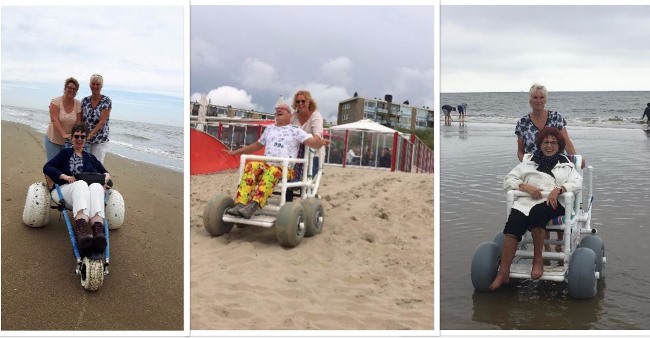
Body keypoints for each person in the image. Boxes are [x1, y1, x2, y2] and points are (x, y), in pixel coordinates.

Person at [489, 127, 583, 291]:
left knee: (538, 213)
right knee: (514, 221)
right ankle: (503, 272)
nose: (549, 145)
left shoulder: (566, 165)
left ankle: (537, 260)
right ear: (540, 144)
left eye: (553, 143)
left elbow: (577, 182)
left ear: (559, 146)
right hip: (527, 201)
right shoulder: (528, 163)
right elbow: (508, 179)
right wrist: (525, 187)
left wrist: (559, 189)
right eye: (546, 142)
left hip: (555, 203)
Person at [223, 103, 330, 219]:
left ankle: (254, 205)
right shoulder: (269, 129)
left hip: (286, 169)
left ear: (290, 115)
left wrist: (320, 143)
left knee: (273, 171)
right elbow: (256, 145)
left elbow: (312, 142)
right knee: (251, 166)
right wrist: (236, 152)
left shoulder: (296, 130)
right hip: (267, 165)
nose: (279, 110)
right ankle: (240, 204)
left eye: (283, 109)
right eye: (277, 109)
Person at [515, 83, 584, 252]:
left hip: (557, 165)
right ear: (530, 100)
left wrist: (575, 160)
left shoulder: (556, 117)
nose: (538, 100)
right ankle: (545, 247)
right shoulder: (522, 123)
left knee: (557, 200)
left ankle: (560, 245)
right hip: (535, 168)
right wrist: (526, 165)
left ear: (546, 99)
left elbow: (566, 143)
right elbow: (520, 151)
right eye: (535, 97)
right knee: (538, 204)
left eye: (541, 97)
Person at [43, 124, 111, 257]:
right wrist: (65, 176)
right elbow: (47, 167)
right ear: (72, 138)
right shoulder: (65, 153)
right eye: (77, 136)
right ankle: (82, 234)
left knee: (96, 186)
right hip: (64, 191)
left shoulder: (90, 157)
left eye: (82, 137)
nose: (79, 139)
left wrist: (104, 180)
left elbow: (106, 173)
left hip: (86, 194)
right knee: (81, 184)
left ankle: (98, 233)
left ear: (86, 139)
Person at [45, 77, 82, 161]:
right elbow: (54, 119)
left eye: (75, 89)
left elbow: (78, 123)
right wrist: (64, 134)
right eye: (70, 88)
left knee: (65, 167)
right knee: (52, 166)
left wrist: (76, 136)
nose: (72, 90)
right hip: (53, 139)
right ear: (65, 88)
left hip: (68, 142)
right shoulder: (56, 101)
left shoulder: (78, 103)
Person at [291, 90, 324, 176]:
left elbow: (317, 136)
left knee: (306, 182)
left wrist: (309, 141)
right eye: (297, 101)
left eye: (303, 101)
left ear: (309, 102)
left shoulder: (316, 116)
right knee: (288, 180)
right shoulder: (293, 116)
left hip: (313, 154)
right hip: (295, 154)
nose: (300, 103)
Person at [82, 73, 112, 163]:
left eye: (98, 84)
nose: (95, 86)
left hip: (100, 139)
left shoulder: (106, 101)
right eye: (93, 84)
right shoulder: (85, 101)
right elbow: (81, 120)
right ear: (90, 84)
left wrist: (90, 135)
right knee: (84, 163)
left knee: (97, 165)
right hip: (85, 138)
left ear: (101, 86)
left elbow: (102, 122)